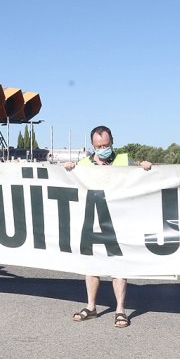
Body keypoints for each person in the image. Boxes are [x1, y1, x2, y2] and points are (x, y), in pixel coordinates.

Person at [63, 125, 152, 328]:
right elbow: (67, 181)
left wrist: (144, 165)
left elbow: (140, 170)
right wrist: (68, 169)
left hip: (119, 221)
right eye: (98, 145)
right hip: (93, 221)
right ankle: (91, 307)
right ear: (92, 145)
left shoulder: (123, 160)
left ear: (112, 142)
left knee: (119, 265)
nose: (103, 148)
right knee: (91, 266)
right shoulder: (84, 163)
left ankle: (120, 310)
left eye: (106, 144)